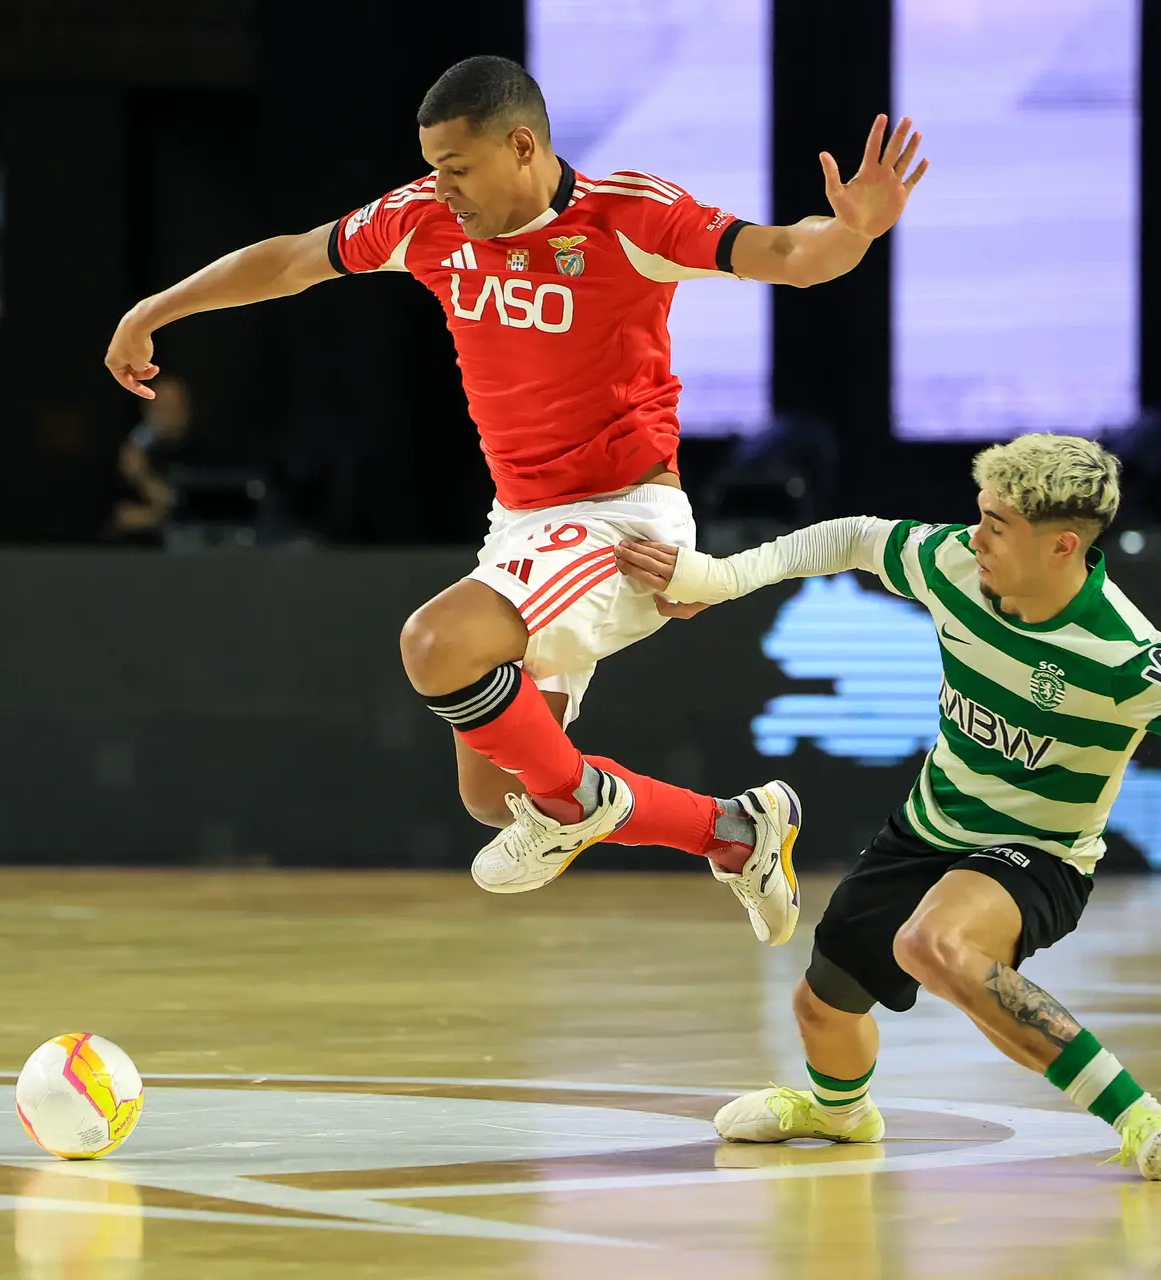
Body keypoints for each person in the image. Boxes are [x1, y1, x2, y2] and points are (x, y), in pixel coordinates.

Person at [105, 56, 930, 943]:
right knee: (497, 796)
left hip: (623, 518)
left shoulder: (627, 215)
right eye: (432, 167)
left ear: (522, 146)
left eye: (457, 168)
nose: (440, 187)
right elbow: (294, 260)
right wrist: (156, 307)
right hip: (524, 524)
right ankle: (733, 830)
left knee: (435, 646)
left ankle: (577, 804)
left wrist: (852, 236)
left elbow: (784, 253)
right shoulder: (423, 220)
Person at [612, 432, 1161, 1179]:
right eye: (978, 513)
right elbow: (850, 538)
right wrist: (718, 577)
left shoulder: (1122, 655)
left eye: (997, 524)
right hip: (926, 829)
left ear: (1064, 545)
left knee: (933, 944)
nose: (974, 534)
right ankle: (841, 1113)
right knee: (821, 1007)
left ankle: (1147, 1122)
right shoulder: (952, 564)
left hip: (1038, 855)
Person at [112, 374, 200, 545]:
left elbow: (196, 511)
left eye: (170, 408)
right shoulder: (133, 454)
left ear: (187, 411)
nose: (162, 417)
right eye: (157, 408)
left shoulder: (202, 454)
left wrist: (143, 479)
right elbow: (121, 516)